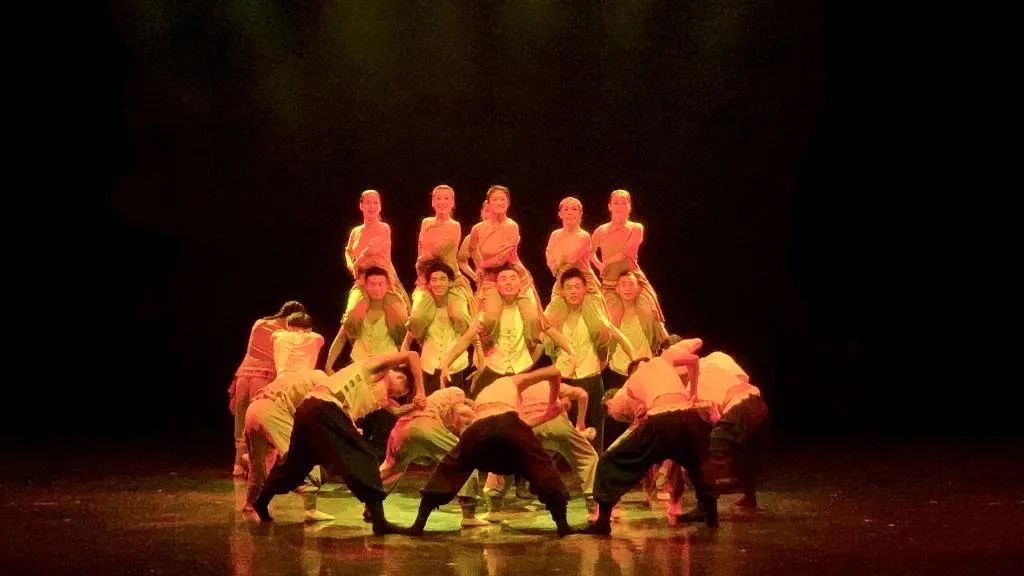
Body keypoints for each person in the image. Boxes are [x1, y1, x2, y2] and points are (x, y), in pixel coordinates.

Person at [252, 351, 426, 536]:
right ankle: (380, 521)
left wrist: (417, 406)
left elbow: (396, 412)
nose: (398, 394)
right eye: (402, 388)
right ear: (396, 375)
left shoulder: (380, 396)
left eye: (401, 394)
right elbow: (412, 355)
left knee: (294, 466)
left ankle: (261, 502)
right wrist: (421, 390)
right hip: (324, 407)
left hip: (309, 411)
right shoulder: (373, 368)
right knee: (364, 458)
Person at [406, 365, 580, 537]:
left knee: (448, 469)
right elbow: (554, 371)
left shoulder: (484, 397)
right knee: (542, 466)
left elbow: (501, 426)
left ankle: (418, 524)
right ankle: (563, 525)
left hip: (479, 433)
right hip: (507, 429)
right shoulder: (510, 381)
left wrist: (545, 416)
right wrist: (552, 403)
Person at [229, 300, 306, 476]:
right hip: (263, 377)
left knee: (240, 420)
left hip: (243, 376)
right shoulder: (284, 333)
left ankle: (238, 464)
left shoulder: (259, 323)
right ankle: (254, 464)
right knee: (256, 422)